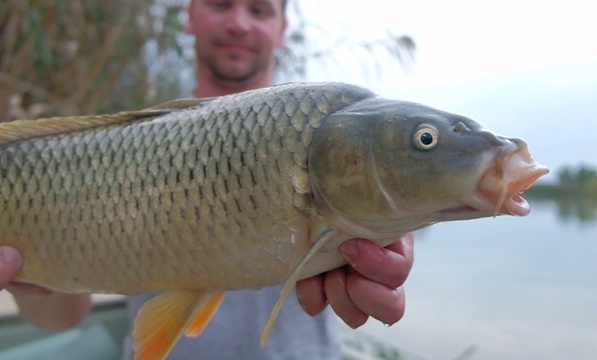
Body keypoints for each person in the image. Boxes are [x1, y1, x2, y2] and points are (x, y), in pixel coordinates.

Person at [1, 0, 415, 358]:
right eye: (220, 4)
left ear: (281, 29)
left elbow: (388, 274)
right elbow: (61, 318)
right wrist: (20, 268)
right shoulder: (122, 145)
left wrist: (386, 247)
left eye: (258, 9)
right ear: (190, 16)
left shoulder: (336, 137)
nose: (238, 22)